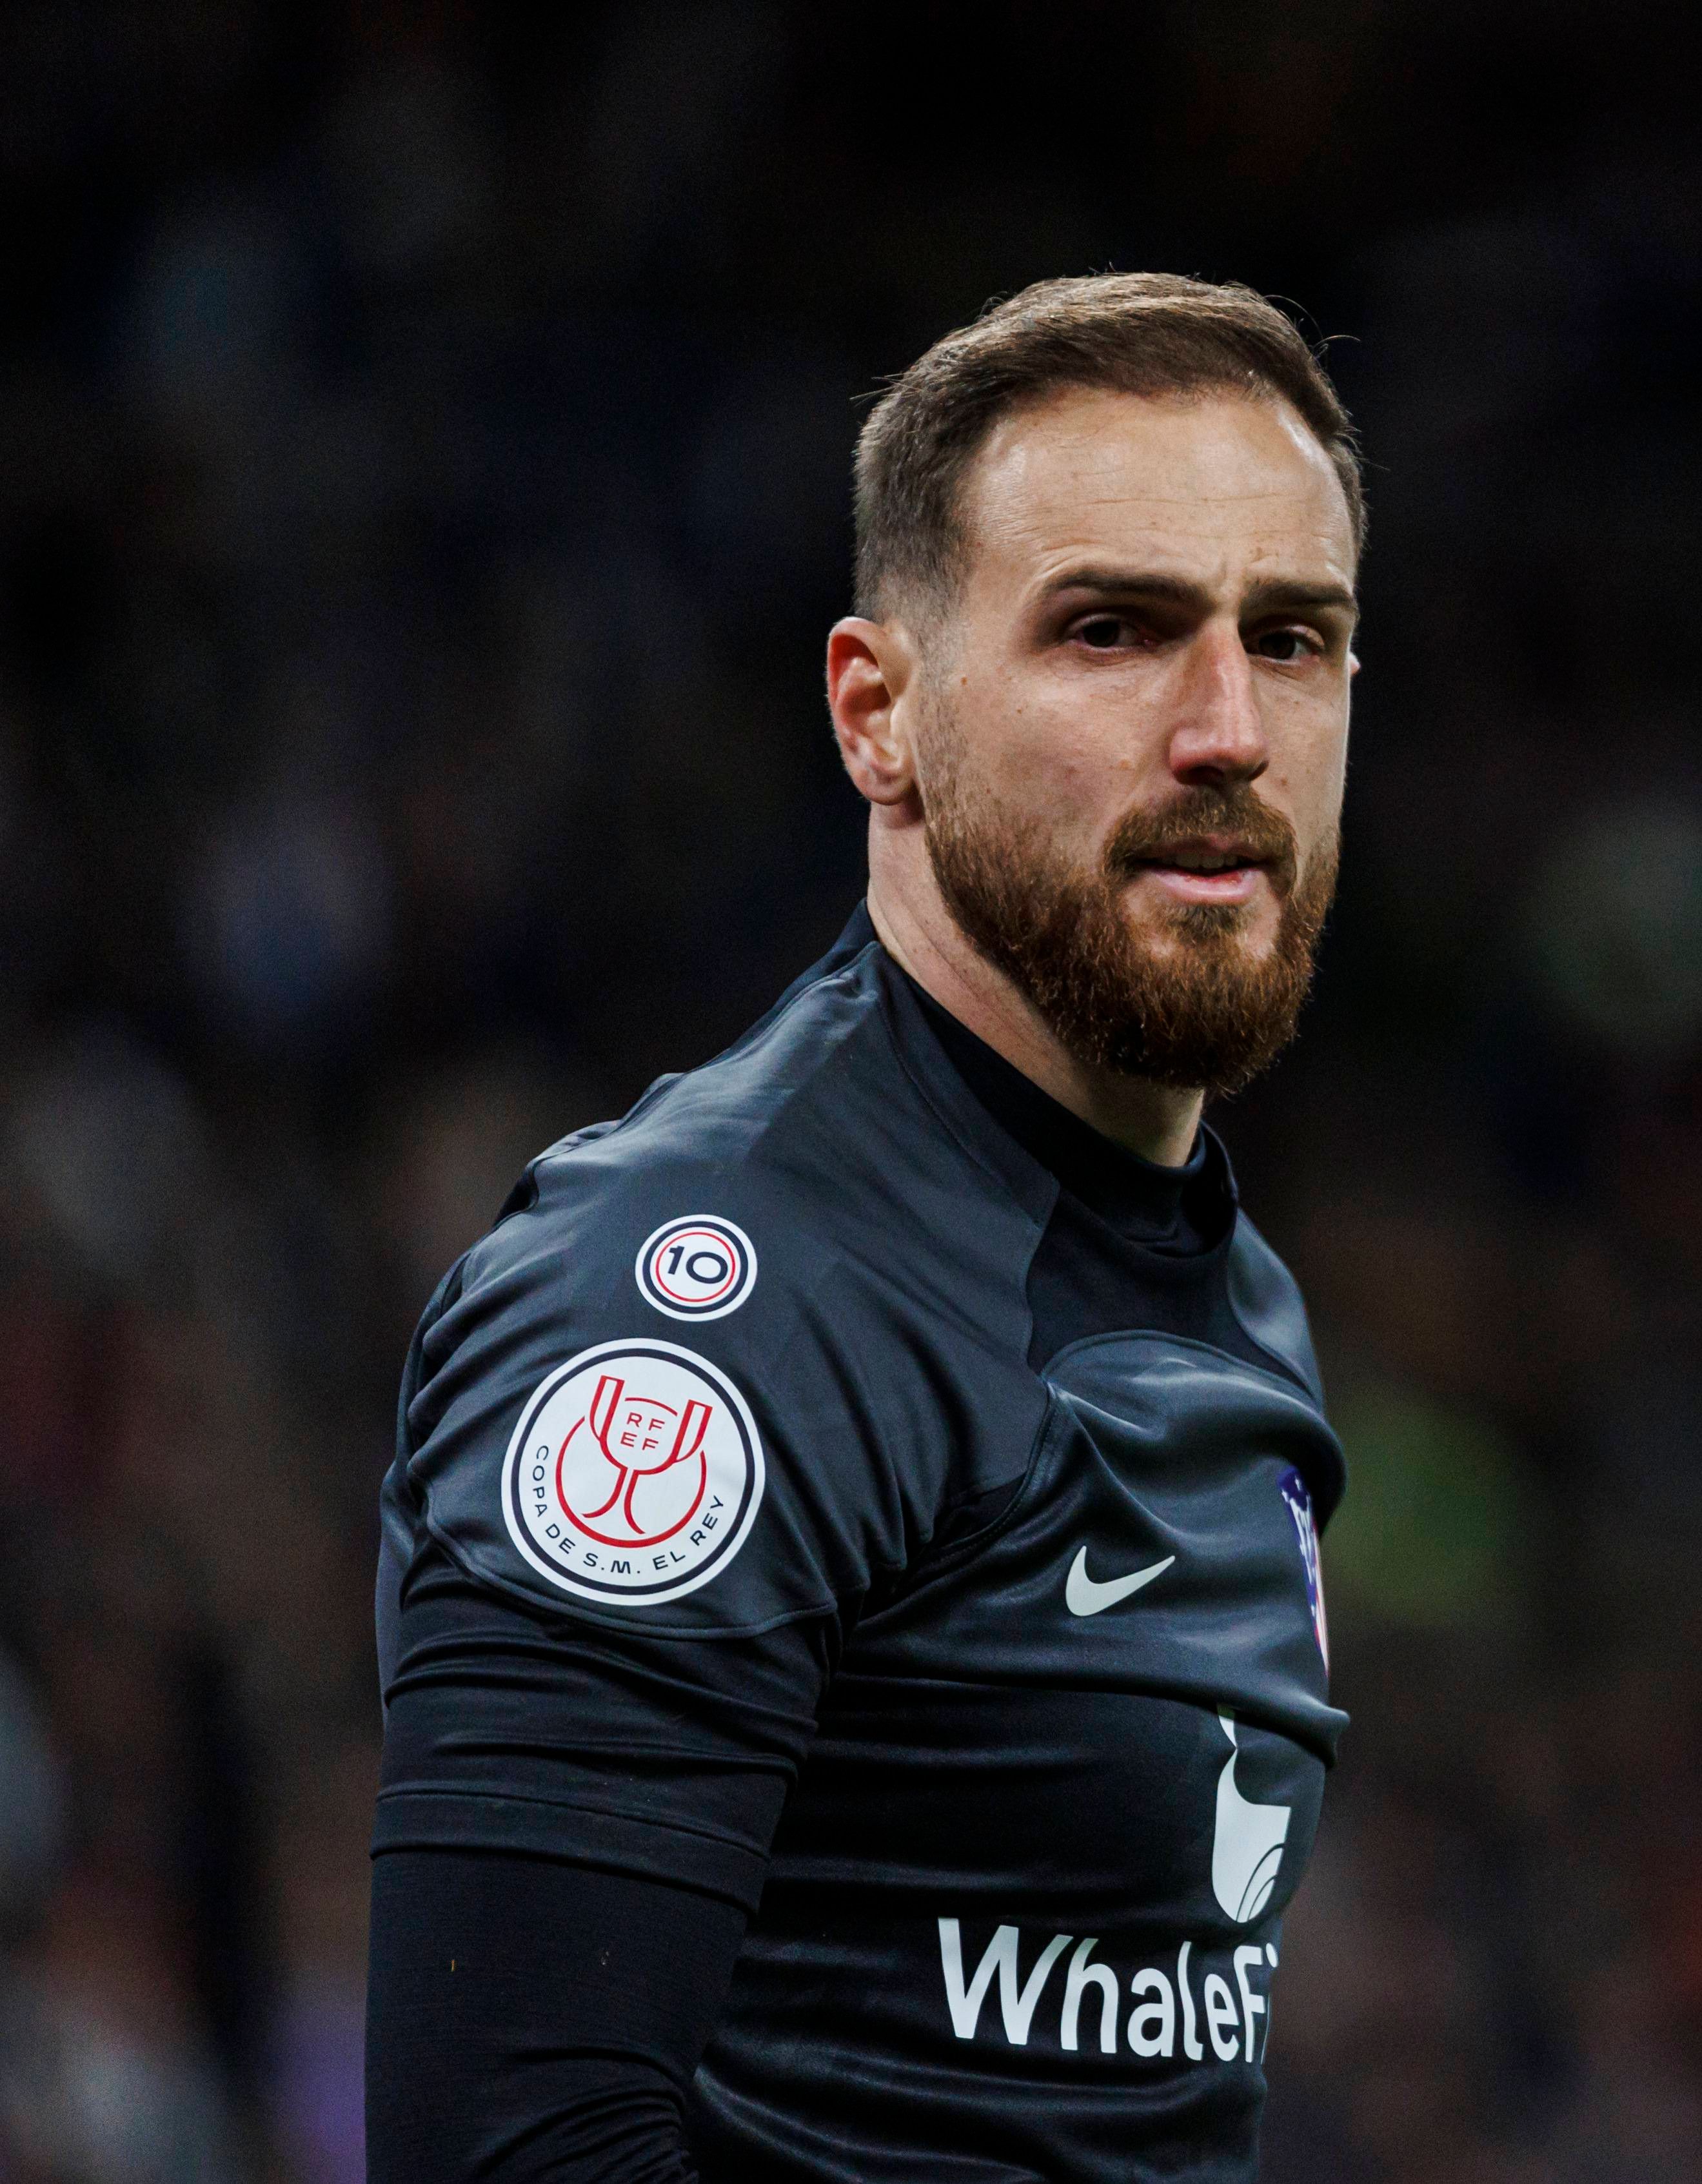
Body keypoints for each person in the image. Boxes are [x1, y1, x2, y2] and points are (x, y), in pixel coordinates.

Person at [363, 273, 1362, 2179]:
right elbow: (516, 2149)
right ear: (876, 715)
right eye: (1112, 629)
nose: (1228, 728)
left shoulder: (1236, 1301)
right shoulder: (703, 1309)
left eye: (1292, 638)